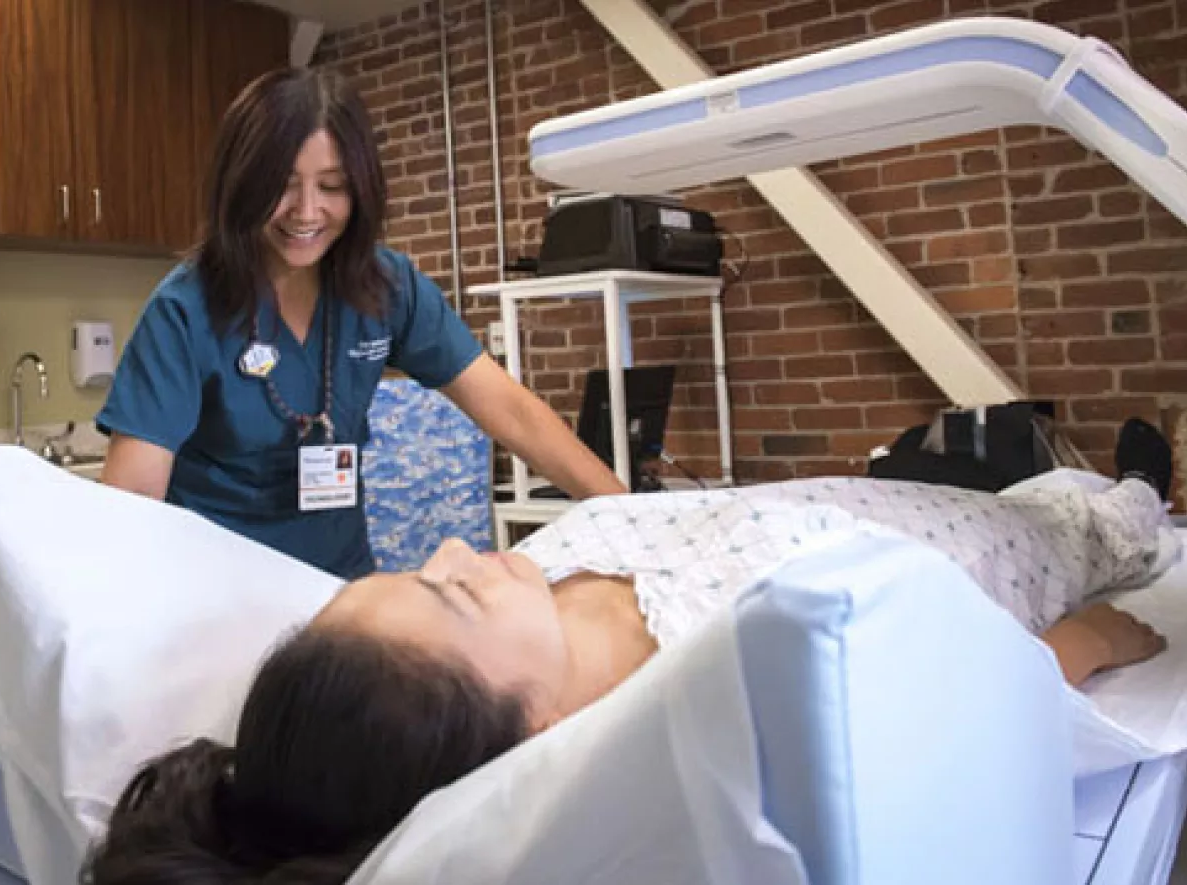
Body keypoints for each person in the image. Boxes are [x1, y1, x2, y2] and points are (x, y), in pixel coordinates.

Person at [80, 418, 1179, 885]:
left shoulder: (534, 613)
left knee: (975, 478)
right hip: (999, 557)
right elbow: (944, 689)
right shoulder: (697, 679)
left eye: (426, 566)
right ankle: (1141, 491)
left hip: (836, 499)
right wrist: (1072, 646)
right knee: (1087, 516)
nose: (467, 547)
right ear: (534, 729)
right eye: (453, 591)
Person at [96, 66, 625, 580]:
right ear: (241, 186)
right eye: (281, 185)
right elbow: (133, 502)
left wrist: (630, 517)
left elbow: (512, 411)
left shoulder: (387, 286)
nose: (307, 211)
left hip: (341, 586)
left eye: (332, 185)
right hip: (218, 593)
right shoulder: (185, 308)